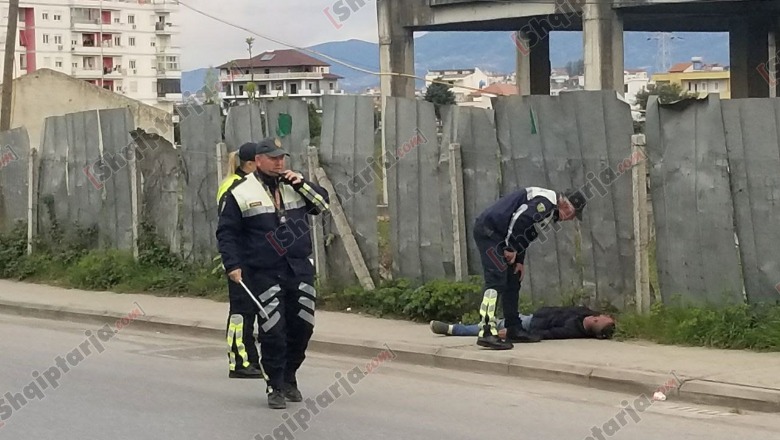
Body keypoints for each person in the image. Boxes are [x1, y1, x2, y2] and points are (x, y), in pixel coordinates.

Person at [216, 137, 329, 410]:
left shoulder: (295, 186)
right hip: (263, 271)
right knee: (273, 330)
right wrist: (232, 265)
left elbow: (323, 205)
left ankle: (290, 375)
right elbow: (227, 233)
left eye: (282, 158)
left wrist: (301, 183)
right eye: (274, 158)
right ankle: (275, 385)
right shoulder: (240, 191)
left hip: (298, 267)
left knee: (303, 327)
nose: (280, 162)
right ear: (258, 161)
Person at [472, 186, 587, 350]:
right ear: (566, 206)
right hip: (489, 232)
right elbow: (520, 220)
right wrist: (510, 248)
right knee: (496, 280)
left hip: (502, 236)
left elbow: (527, 233)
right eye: (573, 214)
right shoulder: (545, 202)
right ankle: (486, 331)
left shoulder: (550, 212)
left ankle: (514, 328)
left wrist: (519, 260)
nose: (570, 219)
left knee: (513, 279)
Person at [216, 142, 264, 380]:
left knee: (250, 311)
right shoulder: (234, 187)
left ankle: (250, 359)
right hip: (240, 259)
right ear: (250, 164)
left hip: (253, 258)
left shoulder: (248, 183)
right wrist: (232, 262)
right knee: (241, 313)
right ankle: (239, 362)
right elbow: (227, 230)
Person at [430, 305, 616, 340]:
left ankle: (453, 329)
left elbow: (546, 334)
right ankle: (458, 326)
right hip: (534, 315)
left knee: (492, 327)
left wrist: (513, 334)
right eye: (599, 316)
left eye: (596, 321)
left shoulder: (571, 329)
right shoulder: (585, 312)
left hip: (529, 324)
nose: (594, 317)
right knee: (495, 322)